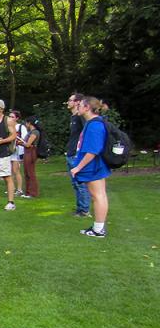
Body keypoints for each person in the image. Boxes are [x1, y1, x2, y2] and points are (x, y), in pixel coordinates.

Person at [70, 97, 110, 237]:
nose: (77, 106)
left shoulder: (94, 125)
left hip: (93, 167)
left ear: (87, 107)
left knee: (98, 196)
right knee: (99, 195)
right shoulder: (93, 123)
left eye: (80, 105)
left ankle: (98, 230)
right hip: (94, 166)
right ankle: (98, 227)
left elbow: (92, 151)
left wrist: (77, 168)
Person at [66, 93, 91, 217]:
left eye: (70, 100)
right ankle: (79, 208)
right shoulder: (73, 117)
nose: (68, 102)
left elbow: (86, 134)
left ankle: (84, 210)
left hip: (76, 155)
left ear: (77, 102)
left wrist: (80, 152)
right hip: (70, 153)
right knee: (75, 183)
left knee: (80, 183)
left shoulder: (81, 118)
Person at [21, 116, 42, 198]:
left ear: (29, 123)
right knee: (26, 172)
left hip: (31, 152)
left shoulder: (34, 132)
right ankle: (28, 192)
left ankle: (33, 192)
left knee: (30, 172)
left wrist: (21, 143)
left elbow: (28, 144)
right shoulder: (31, 132)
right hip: (27, 152)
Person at [9, 110, 28, 197]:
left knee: (16, 170)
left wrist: (16, 139)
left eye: (12, 117)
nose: (11, 118)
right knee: (10, 171)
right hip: (10, 151)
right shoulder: (8, 126)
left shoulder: (20, 127)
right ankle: (11, 188)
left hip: (17, 151)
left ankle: (19, 189)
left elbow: (24, 139)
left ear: (17, 118)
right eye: (10, 116)